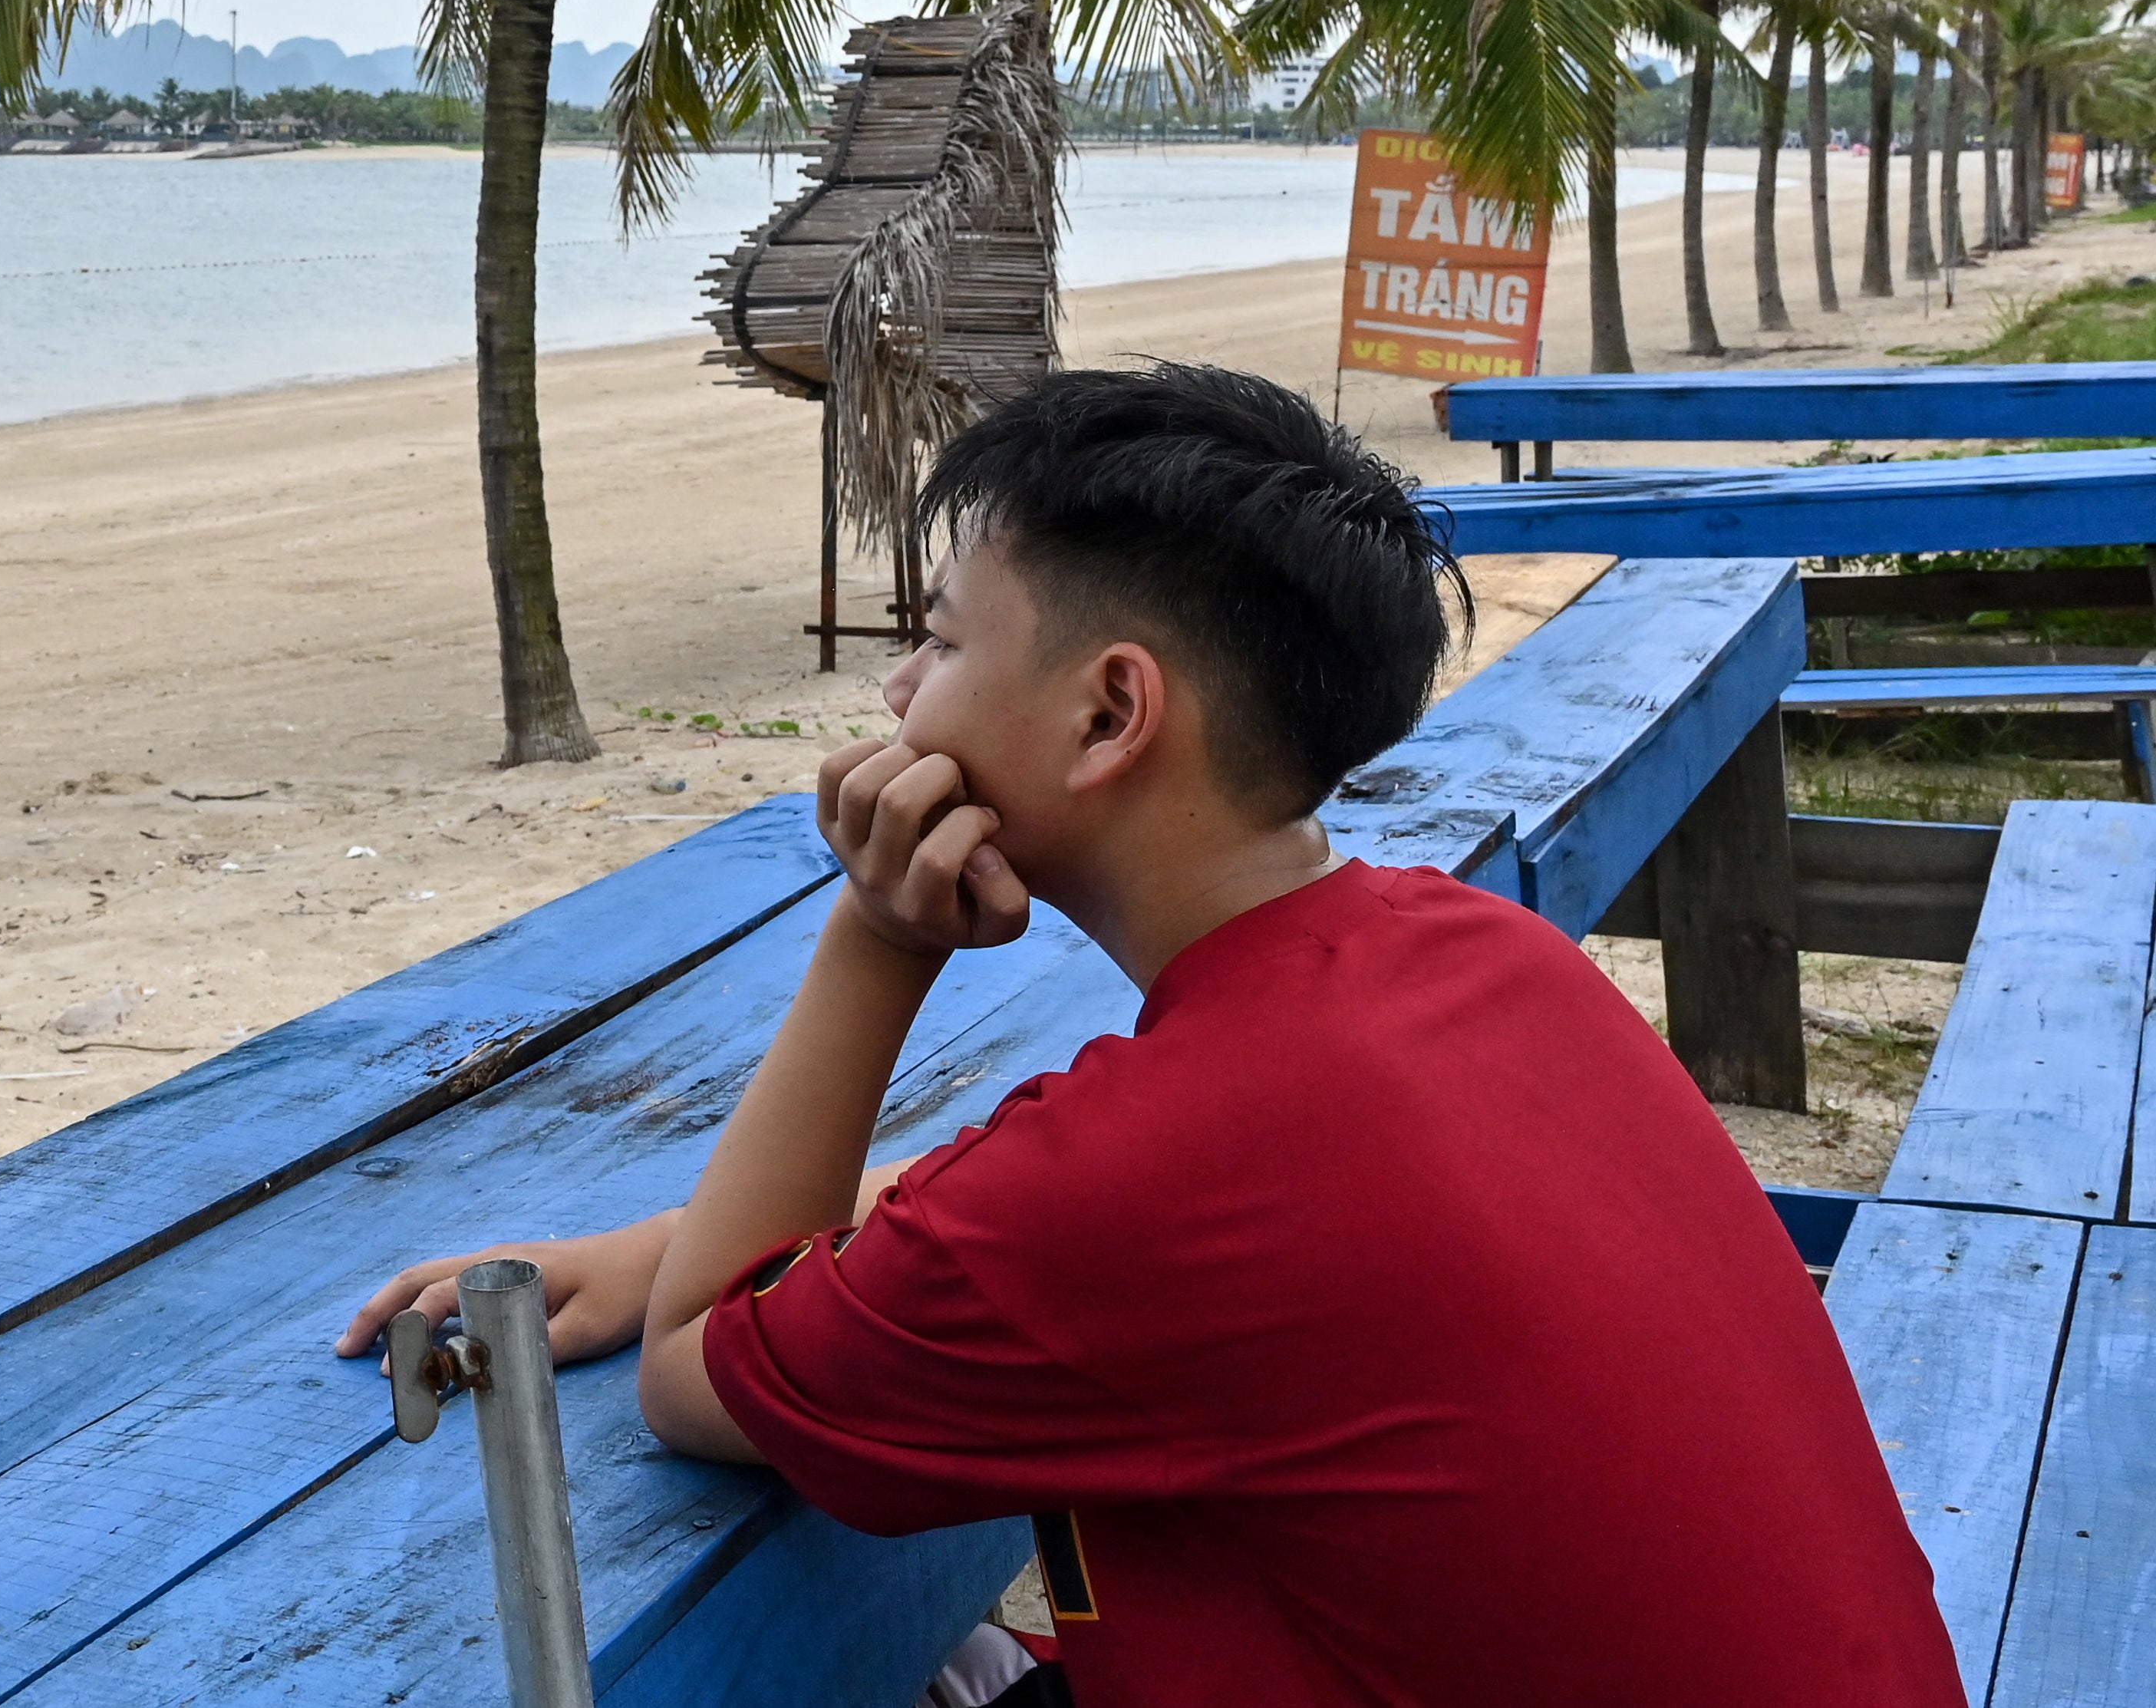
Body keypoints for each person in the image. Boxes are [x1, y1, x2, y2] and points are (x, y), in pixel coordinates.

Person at [337, 362, 1956, 1706]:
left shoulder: (1155, 1163)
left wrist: (873, 939)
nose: (899, 694)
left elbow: (696, 1379)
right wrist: (663, 1238)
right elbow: (1078, 1206)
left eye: (944, 640)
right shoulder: (1473, 961)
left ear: (1109, 712)